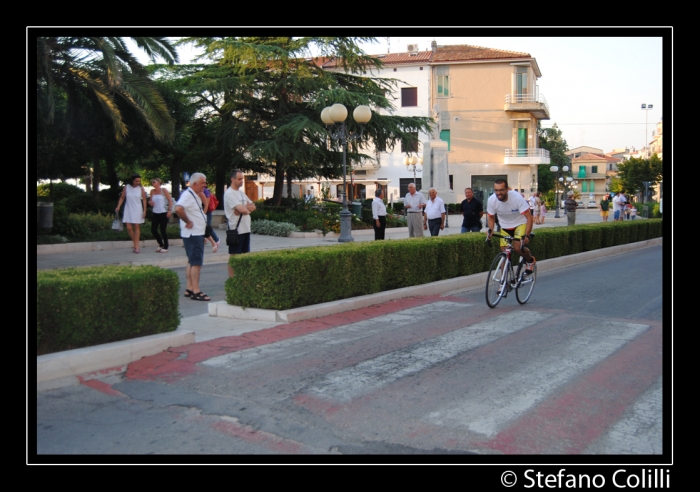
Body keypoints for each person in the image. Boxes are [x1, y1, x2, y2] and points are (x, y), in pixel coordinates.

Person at [486, 178, 536, 274]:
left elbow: (529, 218)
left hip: (520, 224)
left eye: (501, 190)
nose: (498, 193)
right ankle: (504, 282)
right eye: (496, 190)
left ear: (507, 189)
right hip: (505, 226)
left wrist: (527, 235)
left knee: (517, 247)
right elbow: (491, 217)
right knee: (504, 252)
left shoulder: (516, 198)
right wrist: (490, 230)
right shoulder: (491, 200)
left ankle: (529, 260)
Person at [175, 172, 210, 301]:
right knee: (196, 263)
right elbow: (178, 209)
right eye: (203, 183)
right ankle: (196, 290)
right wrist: (188, 222)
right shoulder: (187, 195)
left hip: (196, 233)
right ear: (194, 183)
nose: (205, 186)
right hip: (193, 234)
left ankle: (189, 288)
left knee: (191, 261)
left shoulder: (192, 194)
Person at [224, 169, 256, 277]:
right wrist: (245, 209)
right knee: (234, 256)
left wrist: (244, 208)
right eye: (239, 179)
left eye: (242, 178)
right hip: (236, 230)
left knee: (245, 256)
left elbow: (253, 207)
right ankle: (232, 279)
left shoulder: (242, 194)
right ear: (232, 179)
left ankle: (243, 277)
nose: (242, 181)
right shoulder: (229, 194)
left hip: (246, 228)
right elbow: (244, 209)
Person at [116, 173, 148, 253]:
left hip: (137, 209)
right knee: (129, 227)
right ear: (132, 180)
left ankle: (136, 246)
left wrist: (144, 210)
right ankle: (136, 243)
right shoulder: (126, 187)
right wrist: (118, 206)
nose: (138, 183)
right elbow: (122, 197)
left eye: (139, 181)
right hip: (128, 209)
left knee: (137, 226)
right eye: (136, 181)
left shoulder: (141, 188)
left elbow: (144, 199)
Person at [148, 178, 173, 253]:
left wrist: (169, 210)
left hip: (163, 212)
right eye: (152, 182)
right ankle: (161, 243)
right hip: (156, 212)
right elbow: (151, 200)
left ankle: (166, 246)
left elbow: (170, 200)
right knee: (153, 229)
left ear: (159, 182)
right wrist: (150, 202)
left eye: (154, 181)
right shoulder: (152, 191)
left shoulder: (163, 190)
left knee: (163, 229)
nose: (153, 183)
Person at [200, 184, 220, 253]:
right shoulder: (201, 191)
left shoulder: (205, 191)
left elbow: (207, 204)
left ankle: (216, 240)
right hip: (205, 212)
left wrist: (203, 214)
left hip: (207, 212)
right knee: (204, 227)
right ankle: (205, 240)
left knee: (208, 227)